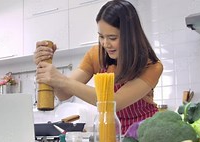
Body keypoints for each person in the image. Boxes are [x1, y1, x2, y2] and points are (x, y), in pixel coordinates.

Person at [33, 0, 163, 134]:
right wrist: (50, 72)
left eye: (112, 38)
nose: (106, 44)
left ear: (130, 36)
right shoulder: (96, 55)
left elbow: (115, 103)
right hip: (111, 132)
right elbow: (64, 94)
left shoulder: (151, 66)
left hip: (144, 133)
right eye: (101, 36)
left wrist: (61, 80)